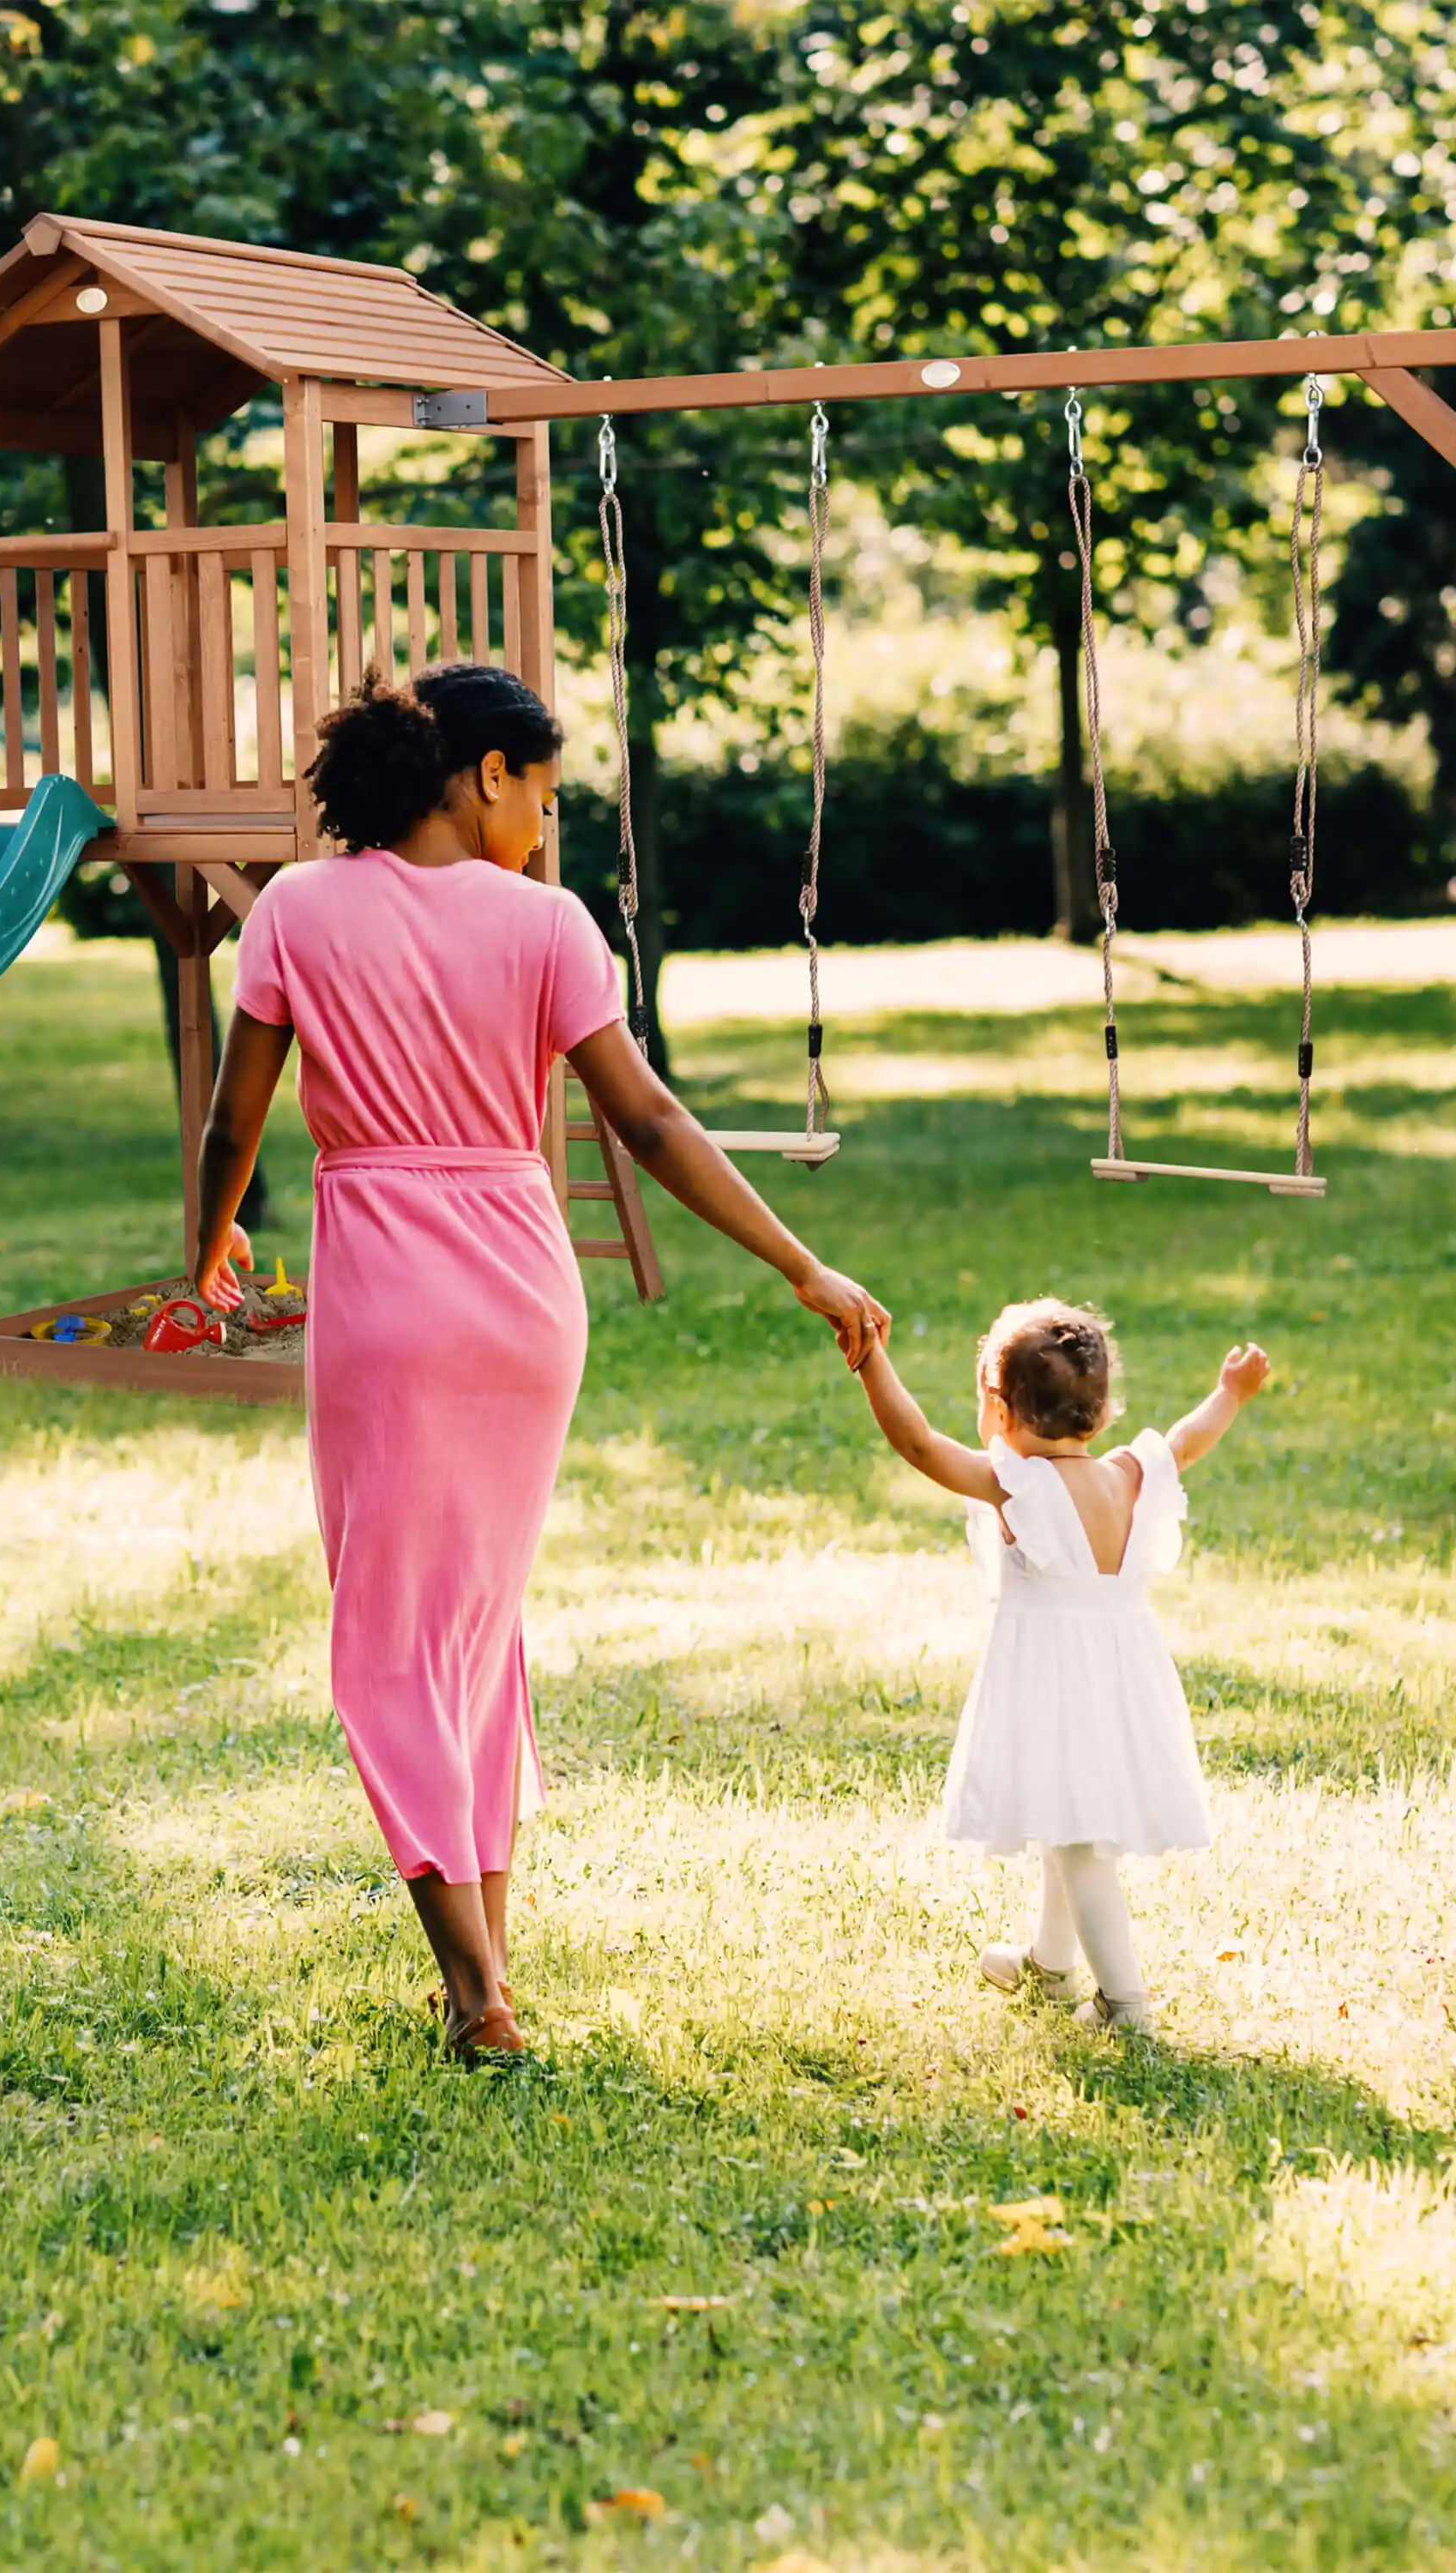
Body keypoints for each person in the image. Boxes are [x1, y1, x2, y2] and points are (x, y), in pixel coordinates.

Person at [189, 663, 889, 2064]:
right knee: (474, 1631)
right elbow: (648, 1124)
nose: (547, 827)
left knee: (391, 1640)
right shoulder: (549, 928)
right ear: (485, 774)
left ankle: (475, 1993)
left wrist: (204, 1253)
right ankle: (489, 1966)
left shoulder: (296, 913)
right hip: (522, 1296)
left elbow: (233, 1124)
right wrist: (800, 1262)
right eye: (545, 794)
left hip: (386, 1296)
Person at [850, 1300, 1272, 2034]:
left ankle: (1124, 2003)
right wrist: (1229, 1393)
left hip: (1055, 1683)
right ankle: (1050, 1965)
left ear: (1002, 1409)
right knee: (1064, 1813)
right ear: (1101, 1412)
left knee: (1079, 1842)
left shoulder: (1019, 1487)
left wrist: (870, 1359)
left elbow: (917, 1444)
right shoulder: (1129, 1474)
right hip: (1121, 1677)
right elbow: (1187, 1439)